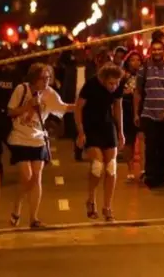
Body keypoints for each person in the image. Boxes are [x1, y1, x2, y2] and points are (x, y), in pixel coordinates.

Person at [7, 63, 75, 228]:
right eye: (42, 78)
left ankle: (33, 218)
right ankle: (17, 207)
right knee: (27, 176)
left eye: (48, 78)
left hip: (38, 139)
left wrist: (81, 105)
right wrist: (27, 106)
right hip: (20, 138)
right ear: (34, 78)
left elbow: (63, 107)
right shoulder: (21, 89)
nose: (46, 81)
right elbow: (11, 112)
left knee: (37, 177)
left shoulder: (50, 94)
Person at [75, 63, 124, 222]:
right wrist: (81, 132)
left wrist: (120, 131)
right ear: (103, 80)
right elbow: (78, 108)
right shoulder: (91, 85)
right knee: (97, 166)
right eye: (111, 83)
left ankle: (107, 206)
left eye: (116, 83)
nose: (114, 86)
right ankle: (91, 200)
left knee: (111, 168)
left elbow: (118, 108)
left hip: (108, 126)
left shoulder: (117, 88)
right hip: (91, 127)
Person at [134, 39, 164, 189]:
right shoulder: (144, 69)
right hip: (148, 113)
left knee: (163, 147)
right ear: (150, 51)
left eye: (159, 49)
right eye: (154, 49)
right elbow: (138, 93)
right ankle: (150, 175)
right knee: (151, 145)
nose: (157, 52)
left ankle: (160, 176)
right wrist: (136, 113)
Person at [120, 51, 143, 181]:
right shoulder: (123, 76)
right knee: (129, 140)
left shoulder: (143, 75)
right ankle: (130, 168)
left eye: (138, 60)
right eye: (132, 60)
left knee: (141, 137)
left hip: (141, 108)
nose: (136, 62)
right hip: (126, 109)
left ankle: (142, 169)